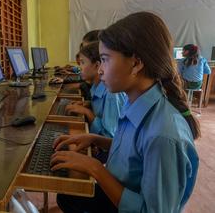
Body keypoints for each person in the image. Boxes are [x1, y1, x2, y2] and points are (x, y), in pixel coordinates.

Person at [51, 12, 199, 213]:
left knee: (72, 194)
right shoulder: (136, 101)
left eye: (105, 60)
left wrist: (94, 167)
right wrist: (96, 139)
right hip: (121, 186)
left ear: (136, 63)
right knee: (68, 195)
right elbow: (137, 153)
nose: (100, 69)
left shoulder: (163, 134)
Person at [65, 42, 126, 138]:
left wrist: (87, 112)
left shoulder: (111, 94)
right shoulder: (95, 87)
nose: (79, 68)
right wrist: (88, 104)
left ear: (97, 66)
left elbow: (109, 137)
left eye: (82, 62)